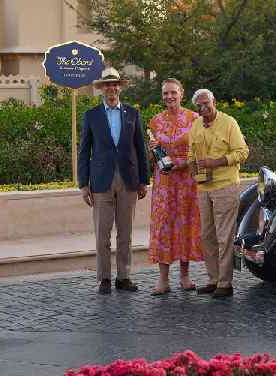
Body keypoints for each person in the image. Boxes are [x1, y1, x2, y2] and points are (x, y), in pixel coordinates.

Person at [77, 67, 149, 294]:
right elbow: (84, 151)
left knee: (126, 233)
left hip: (128, 179)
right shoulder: (92, 115)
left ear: (120, 88)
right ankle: (105, 278)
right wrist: (83, 184)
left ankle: (124, 277)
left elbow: (140, 148)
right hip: (101, 181)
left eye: (115, 84)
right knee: (102, 233)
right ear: (102, 89)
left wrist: (143, 180)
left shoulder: (132, 114)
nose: (112, 88)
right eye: (107, 85)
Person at [188, 88, 249, 298]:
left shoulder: (229, 122)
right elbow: (191, 153)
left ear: (214, 101)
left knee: (225, 237)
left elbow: (243, 152)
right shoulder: (196, 124)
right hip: (203, 187)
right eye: (199, 105)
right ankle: (213, 280)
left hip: (225, 185)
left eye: (207, 103)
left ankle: (226, 283)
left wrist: (217, 162)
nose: (203, 108)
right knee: (207, 236)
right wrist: (192, 166)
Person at [147, 78, 203, 296]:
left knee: (186, 224)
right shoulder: (155, 121)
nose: (169, 97)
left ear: (181, 93)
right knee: (164, 226)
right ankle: (162, 280)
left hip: (187, 180)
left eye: (173, 92)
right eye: (165, 94)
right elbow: (152, 156)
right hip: (164, 183)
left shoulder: (194, 119)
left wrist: (181, 162)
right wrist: (153, 150)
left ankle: (185, 276)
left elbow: (199, 149)